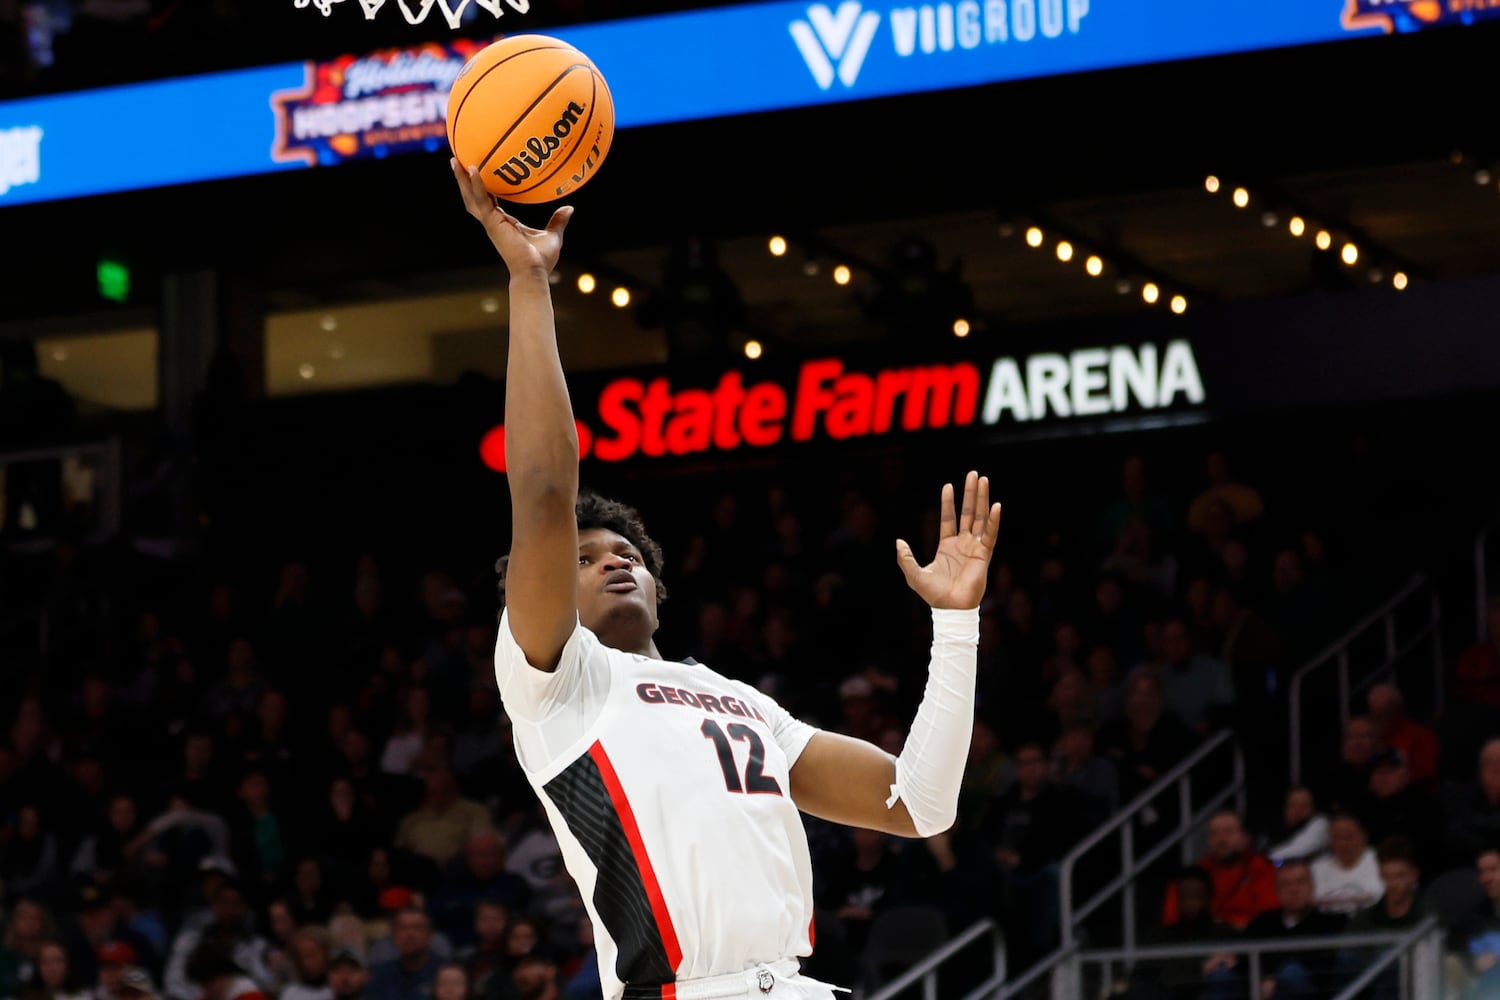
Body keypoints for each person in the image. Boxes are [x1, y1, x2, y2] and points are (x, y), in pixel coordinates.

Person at [451, 161, 999, 1000]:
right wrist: (531, 282)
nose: (613, 560)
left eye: (626, 551)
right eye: (587, 558)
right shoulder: (557, 684)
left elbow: (919, 805)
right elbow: (544, 486)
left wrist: (956, 628)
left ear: (660, 585)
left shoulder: (744, 702)